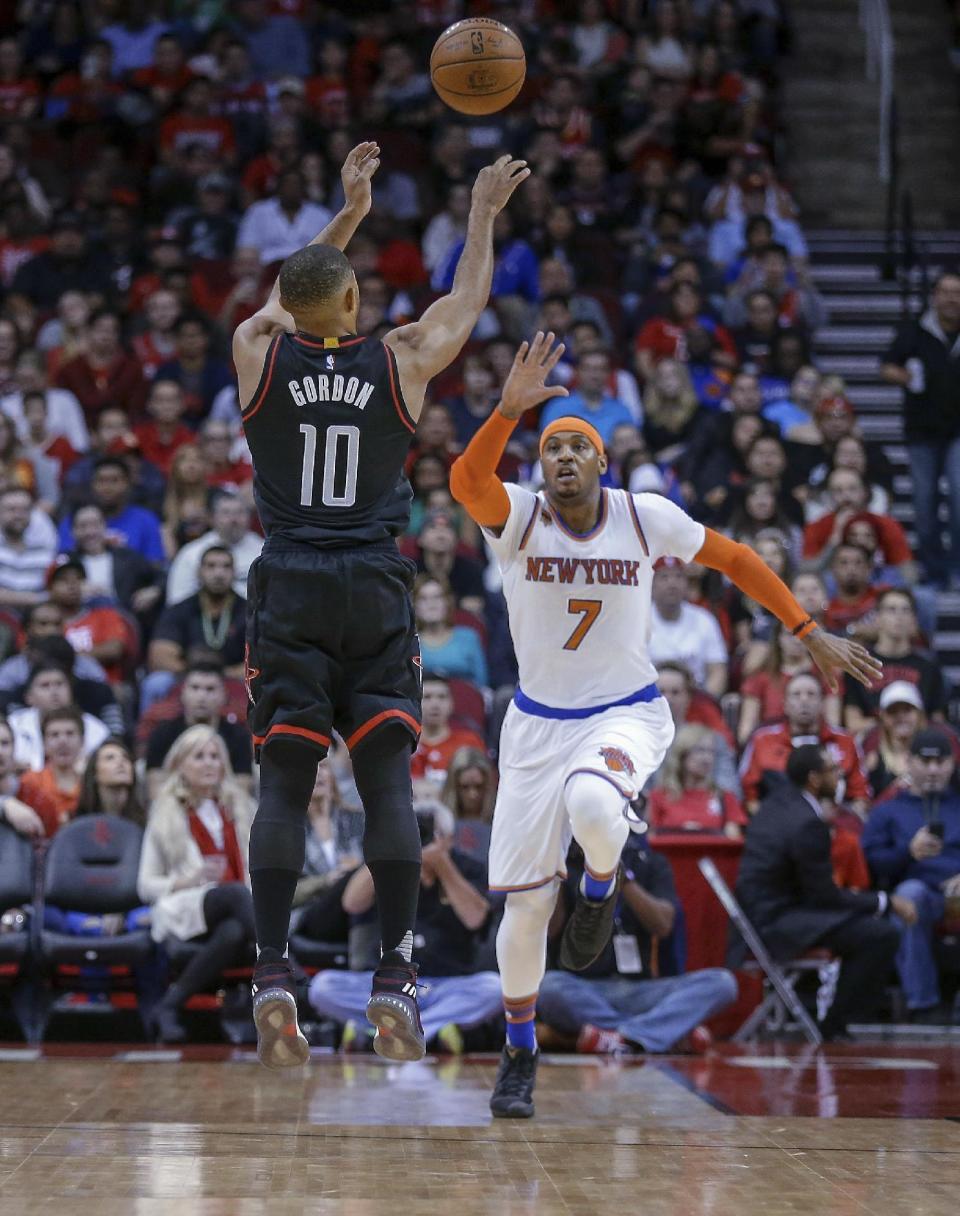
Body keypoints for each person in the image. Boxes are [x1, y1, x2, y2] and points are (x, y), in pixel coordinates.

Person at [449, 332, 880, 1118]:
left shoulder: (643, 517)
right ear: (541, 467)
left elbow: (736, 558)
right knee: (524, 909)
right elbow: (465, 478)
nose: (566, 458)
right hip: (536, 725)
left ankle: (603, 885)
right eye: (554, 450)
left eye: (580, 446)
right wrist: (507, 412)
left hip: (625, 711)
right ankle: (519, 1055)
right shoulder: (515, 519)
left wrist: (805, 627)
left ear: (605, 463)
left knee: (593, 804)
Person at [232, 143, 531, 1068]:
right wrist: (480, 216)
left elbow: (294, 289)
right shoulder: (401, 358)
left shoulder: (257, 351)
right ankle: (396, 979)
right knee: (387, 785)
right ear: (357, 307)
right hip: (372, 579)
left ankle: (273, 971)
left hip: (289, 578)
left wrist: (348, 210)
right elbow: (469, 302)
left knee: (284, 783)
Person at [734, 744, 910, 1039]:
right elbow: (824, 897)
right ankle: (833, 1024)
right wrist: (884, 901)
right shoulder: (807, 823)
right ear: (814, 779)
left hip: (763, 914)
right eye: (833, 770)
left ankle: (830, 1017)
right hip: (778, 923)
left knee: (865, 929)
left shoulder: (778, 804)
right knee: (881, 935)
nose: (839, 775)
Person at [308, 802, 502, 1054]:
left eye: (427, 833)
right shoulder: (388, 864)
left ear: (449, 839)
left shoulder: (466, 867)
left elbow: (475, 918)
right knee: (322, 987)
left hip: (445, 985)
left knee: (495, 988)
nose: (420, 840)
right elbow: (352, 903)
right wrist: (386, 849)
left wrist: (442, 864)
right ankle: (429, 1030)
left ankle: (388, 1031)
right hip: (385, 986)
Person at [538, 838, 738, 1054]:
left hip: (641, 990)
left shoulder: (648, 861)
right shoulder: (564, 862)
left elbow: (663, 925)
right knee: (548, 988)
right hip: (583, 988)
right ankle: (662, 1032)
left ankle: (621, 1038)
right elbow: (550, 929)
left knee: (722, 982)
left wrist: (623, 880)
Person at [137, 725, 256, 1044]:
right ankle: (286, 965)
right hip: (186, 909)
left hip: (239, 912)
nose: (209, 763)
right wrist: (185, 880)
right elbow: (145, 885)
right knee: (234, 894)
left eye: (215, 756)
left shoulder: (241, 808)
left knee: (233, 929)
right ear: (180, 765)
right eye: (199, 756)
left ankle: (169, 1007)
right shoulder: (165, 813)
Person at [862, 728, 960, 1020]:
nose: (933, 770)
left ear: (952, 764)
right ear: (908, 761)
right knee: (909, 895)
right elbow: (871, 864)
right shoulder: (887, 811)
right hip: (919, 893)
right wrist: (908, 852)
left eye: (940, 762)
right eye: (925, 761)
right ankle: (923, 1005)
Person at [880, 271, 960, 586]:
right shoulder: (913, 331)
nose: (952, 299)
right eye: (946, 292)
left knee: (959, 497)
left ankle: (956, 562)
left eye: (958, 292)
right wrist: (905, 376)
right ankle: (933, 566)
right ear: (934, 296)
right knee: (924, 503)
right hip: (922, 433)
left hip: (958, 432)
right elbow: (885, 366)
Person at [740, 672, 870, 816]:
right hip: (777, 826)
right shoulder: (762, 740)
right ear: (784, 704)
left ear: (822, 703)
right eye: (796, 694)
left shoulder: (845, 741)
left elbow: (861, 797)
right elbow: (748, 797)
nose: (804, 700)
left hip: (834, 825)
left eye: (811, 694)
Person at [144, 546, 246, 711]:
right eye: (211, 566)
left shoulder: (250, 611)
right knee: (156, 683)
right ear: (199, 571)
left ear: (235, 572)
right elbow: (159, 655)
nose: (219, 573)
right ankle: (148, 735)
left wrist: (224, 675)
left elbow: (261, 659)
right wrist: (195, 676)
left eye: (226, 566)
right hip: (186, 678)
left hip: (233, 678)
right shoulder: (179, 609)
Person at [843, 588, 947, 736]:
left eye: (905, 610)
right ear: (877, 618)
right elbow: (852, 723)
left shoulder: (929, 666)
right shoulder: (859, 664)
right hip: (872, 744)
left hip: (917, 745)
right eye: (891, 609)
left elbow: (938, 723)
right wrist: (895, 726)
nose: (899, 616)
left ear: (914, 620)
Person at [145, 660, 252, 796]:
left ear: (224, 695)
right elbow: (156, 792)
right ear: (182, 693)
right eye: (195, 688)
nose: (202, 697)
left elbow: (241, 793)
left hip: (223, 809)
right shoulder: (162, 733)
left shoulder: (238, 736)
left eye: (210, 689)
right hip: (174, 808)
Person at [290, 761, 364, 944]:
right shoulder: (287, 830)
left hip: (358, 905)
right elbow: (279, 893)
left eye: (322, 766)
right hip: (312, 914)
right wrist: (326, 881)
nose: (318, 773)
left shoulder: (358, 820)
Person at [648, 556, 729, 698]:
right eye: (664, 577)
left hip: (696, 700)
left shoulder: (704, 619)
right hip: (648, 702)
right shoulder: (638, 621)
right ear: (651, 583)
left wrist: (705, 700)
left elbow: (718, 670)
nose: (672, 583)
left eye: (678, 576)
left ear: (687, 583)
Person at [647, 724, 747, 838]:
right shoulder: (659, 797)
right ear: (683, 754)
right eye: (700, 750)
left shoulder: (725, 798)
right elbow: (651, 841)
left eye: (711, 752)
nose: (707, 758)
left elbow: (732, 844)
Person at [165, 491, 262, 606]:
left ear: (250, 517)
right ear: (212, 518)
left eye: (240, 512)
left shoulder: (263, 551)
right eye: (226, 513)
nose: (233, 519)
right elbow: (177, 600)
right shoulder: (191, 553)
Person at [8, 662, 109, 772]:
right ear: (29, 697)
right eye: (45, 685)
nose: (54, 692)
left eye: (59, 684)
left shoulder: (96, 729)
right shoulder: (13, 725)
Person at [16, 705, 88, 834]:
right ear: (43, 743)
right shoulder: (29, 782)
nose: (63, 741)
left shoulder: (91, 783)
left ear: (82, 741)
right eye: (54, 735)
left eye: (70, 734)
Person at [410, 674, 486, 787]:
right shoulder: (404, 746)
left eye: (442, 697)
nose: (435, 704)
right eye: (427, 697)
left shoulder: (469, 742)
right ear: (415, 703)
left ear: (451, 704)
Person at [414, 575, 488, 688]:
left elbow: (482, 684)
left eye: (437, 597)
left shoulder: (469, 638)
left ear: (447, 602)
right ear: (415, 606)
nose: (431, 604)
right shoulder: (409, 643)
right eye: (423, 599)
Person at [862, 681, 926, 799]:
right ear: (883, 716)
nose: (901, 717)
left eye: (907, 710)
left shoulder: (932, 755)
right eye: (893, 711)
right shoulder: (872, 761)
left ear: (919, 714)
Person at [0, 486, 56, 609]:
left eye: (24, 510)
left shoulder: (44, 552)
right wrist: (39, 598)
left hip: (37, 620)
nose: (18, 515)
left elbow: (57, 589)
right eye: (11, 509)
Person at [75, 737, 145, 826]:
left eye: (126, 757)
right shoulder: (79, 823)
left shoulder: (146, 821)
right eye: (110, 758)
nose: (121, 762)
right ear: (94, 773)